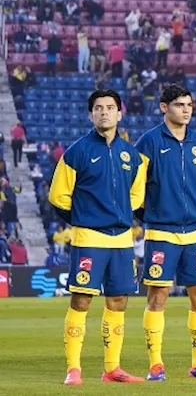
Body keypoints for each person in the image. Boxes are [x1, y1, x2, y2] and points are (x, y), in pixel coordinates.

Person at [49, 89, 147, 385]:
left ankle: (112, 369)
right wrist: (85, 219)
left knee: (118, 302)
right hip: (88, 238)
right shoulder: (77, 152)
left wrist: (117, 217)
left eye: (110, 107)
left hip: (121, 240)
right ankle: (73, 369)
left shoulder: (132, 155)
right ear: (91, 114)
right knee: (81, 301)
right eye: (98, 108)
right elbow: (58, 197)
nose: (104, 112)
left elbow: (136, 195)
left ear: (120, 113)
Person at [136, 85, 196, 380]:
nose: (185, 109)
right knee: (158, 295)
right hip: (161, 231)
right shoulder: (147, 143)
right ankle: (155, 364)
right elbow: (136, 190)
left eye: (189, 104)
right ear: (164, 108)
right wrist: (152, 216)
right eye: (178, 105)